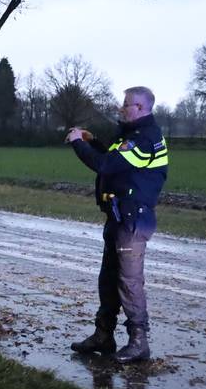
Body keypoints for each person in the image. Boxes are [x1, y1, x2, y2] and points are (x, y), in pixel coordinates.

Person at [64, 86, 169, 364]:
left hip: (134, 218)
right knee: (109, 277)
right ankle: (103, 335)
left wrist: (77, 142)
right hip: (119, 214)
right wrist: (92, 139)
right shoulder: (129, 135)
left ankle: (139, 342)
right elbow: (112, 158)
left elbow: (105, 166)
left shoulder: (145, 139)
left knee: (129, 281)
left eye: (127, 104)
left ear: (142, 108)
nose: (122, 108)